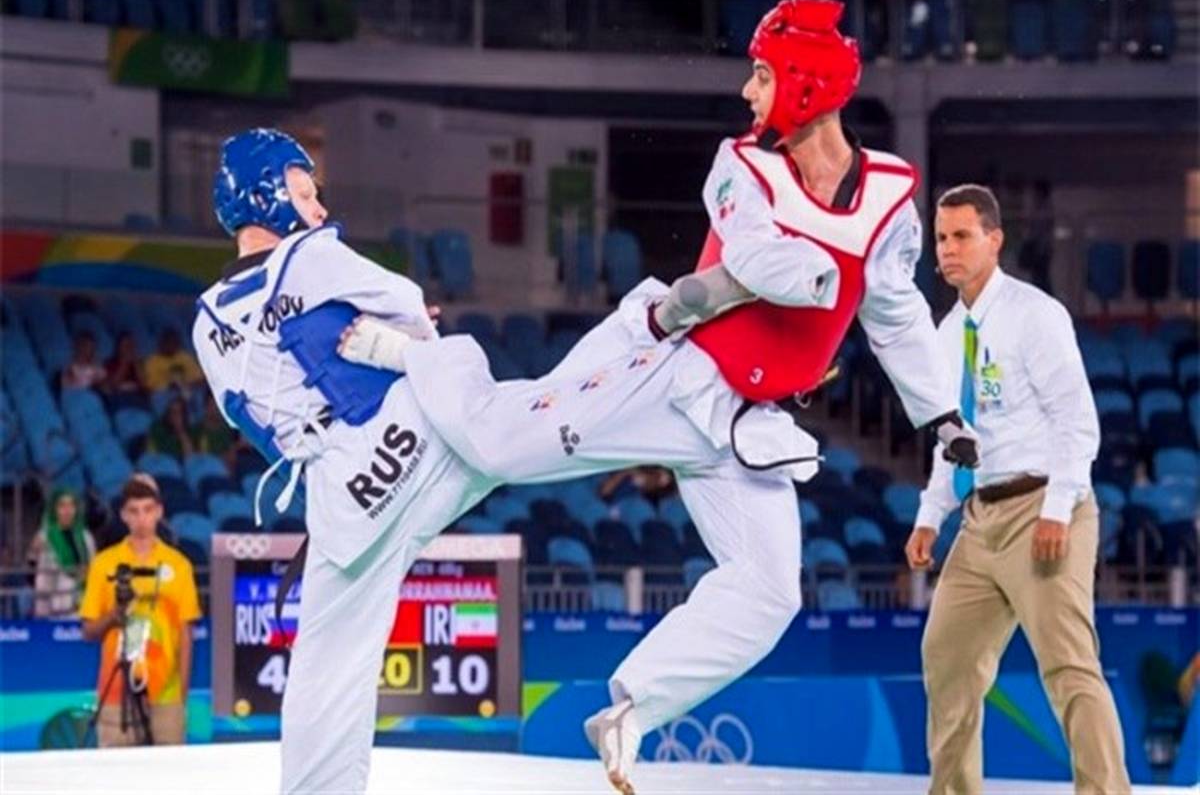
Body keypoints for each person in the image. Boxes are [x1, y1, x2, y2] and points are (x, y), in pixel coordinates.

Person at [195, 47, 973, 789]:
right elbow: (403, 302)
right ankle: (642, 324)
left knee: (328, 659)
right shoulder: (312, 254)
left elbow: (252, 416)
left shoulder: (206, 320)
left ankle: (611, 708)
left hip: (344, 496)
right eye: (304, 191)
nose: (319, 205)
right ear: (269, 194)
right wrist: (404, 344)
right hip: (418, 432)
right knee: (496, 409)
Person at [904, 184, 1129, 795]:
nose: (948, 250)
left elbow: (1077, 421)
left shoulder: (1036, 315)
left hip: (1043, 508)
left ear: (995, 240)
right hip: (980, 517)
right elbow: (953, 438)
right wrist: (930, 516)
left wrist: (1058, 508)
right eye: (941, 239)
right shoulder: (949, 332)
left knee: (1068, 667)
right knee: (946, 658)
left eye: (962, 236)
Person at [79, 474, 201, 747]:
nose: (141, 518)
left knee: (169, 772)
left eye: (147, 510)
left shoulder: (179, 565)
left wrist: (181, 694)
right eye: (134, 511)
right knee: (117, 772)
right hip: (115, 692)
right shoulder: (104, 564)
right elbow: (88, 631)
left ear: (159, 511)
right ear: (124, 515)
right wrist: (113, 616)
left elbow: (186, 635)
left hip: (166, 693)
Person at [26, 488, 96, 618]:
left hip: (82, 603)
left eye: (71, 506)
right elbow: (31, 572)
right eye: (62, 506)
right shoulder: (44, 537)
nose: (67, 511)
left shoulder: (85, 536)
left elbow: (93, 566)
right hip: (53, 606)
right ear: (54, 509)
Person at [143, 328, 204, 395]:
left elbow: (198, 378)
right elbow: (151, 386)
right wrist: (170, 385)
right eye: (168, 343)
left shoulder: (184, 357)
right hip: (165, 394)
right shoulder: (152, 362)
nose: (171, 346)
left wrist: (185, 384)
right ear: (162, 344)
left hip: (187, 390)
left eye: (173, 342)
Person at [104, 331, 149, 409]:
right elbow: (113, 385)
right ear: (118, 347)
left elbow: (145, 386)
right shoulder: (109, 363)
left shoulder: (139, 363)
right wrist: (125, 363)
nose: (129, 348)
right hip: (119, 397)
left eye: (131, 345)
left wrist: (136, 364)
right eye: (125, 345)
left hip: (137, 397)